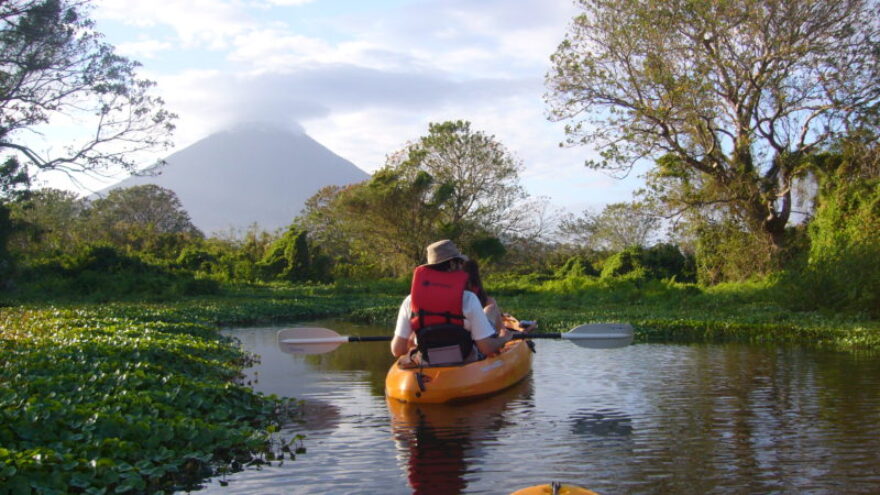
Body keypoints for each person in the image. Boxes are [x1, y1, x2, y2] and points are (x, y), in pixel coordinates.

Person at [390, 240, 514, 364]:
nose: (461, 267)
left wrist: (415, 343)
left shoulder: (410, 301)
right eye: (460, 263)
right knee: (490, 309)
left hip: (427, 363)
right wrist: (504, 339)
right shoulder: (469, 298)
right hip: (466, 361)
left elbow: (397, 350)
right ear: (453, 265)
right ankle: (502, 331)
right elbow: (486, 348)